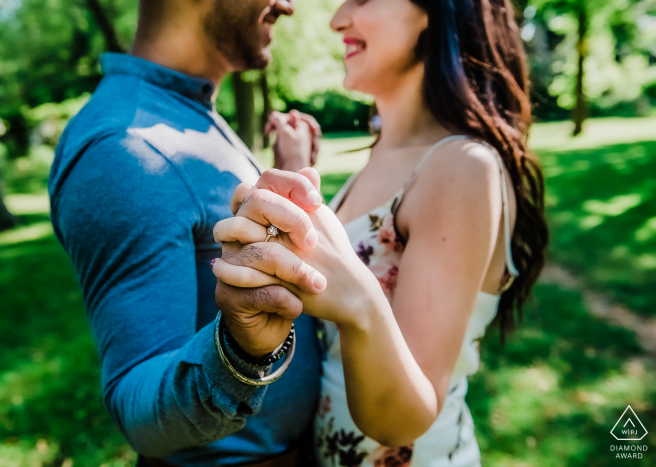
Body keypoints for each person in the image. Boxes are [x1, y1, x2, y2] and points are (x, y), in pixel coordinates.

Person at [212, 0, 549, 465]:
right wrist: (294, 178)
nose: (337, 20)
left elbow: (404, 419)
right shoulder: (382, 157)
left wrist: (360, 304)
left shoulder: (461, 166)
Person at [49, 0, 329, 466]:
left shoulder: (186, 112)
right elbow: (136, 413)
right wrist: (240, 351)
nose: (288, 5)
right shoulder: (123, 149)